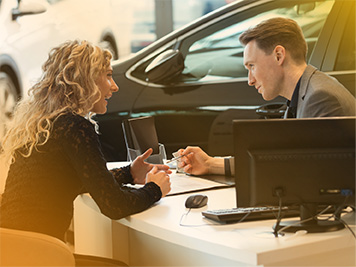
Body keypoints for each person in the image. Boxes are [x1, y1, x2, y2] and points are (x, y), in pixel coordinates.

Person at [0, 40, 171, 266]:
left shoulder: (40, 124)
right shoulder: (75, 126)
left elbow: (80, 181)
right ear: (86, 80)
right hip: (40, 254)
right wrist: (155, 189)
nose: (114, 86)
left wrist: (129, 172)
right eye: (108, 76)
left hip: (11, 247)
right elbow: (113, 204)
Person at [177, 17, 356, 177]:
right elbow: (282, 158)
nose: (250, 80)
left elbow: (304, 174)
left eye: (252, 66)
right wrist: (209, 163)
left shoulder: (319, 97)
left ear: (279, 55)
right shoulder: (305, 92)